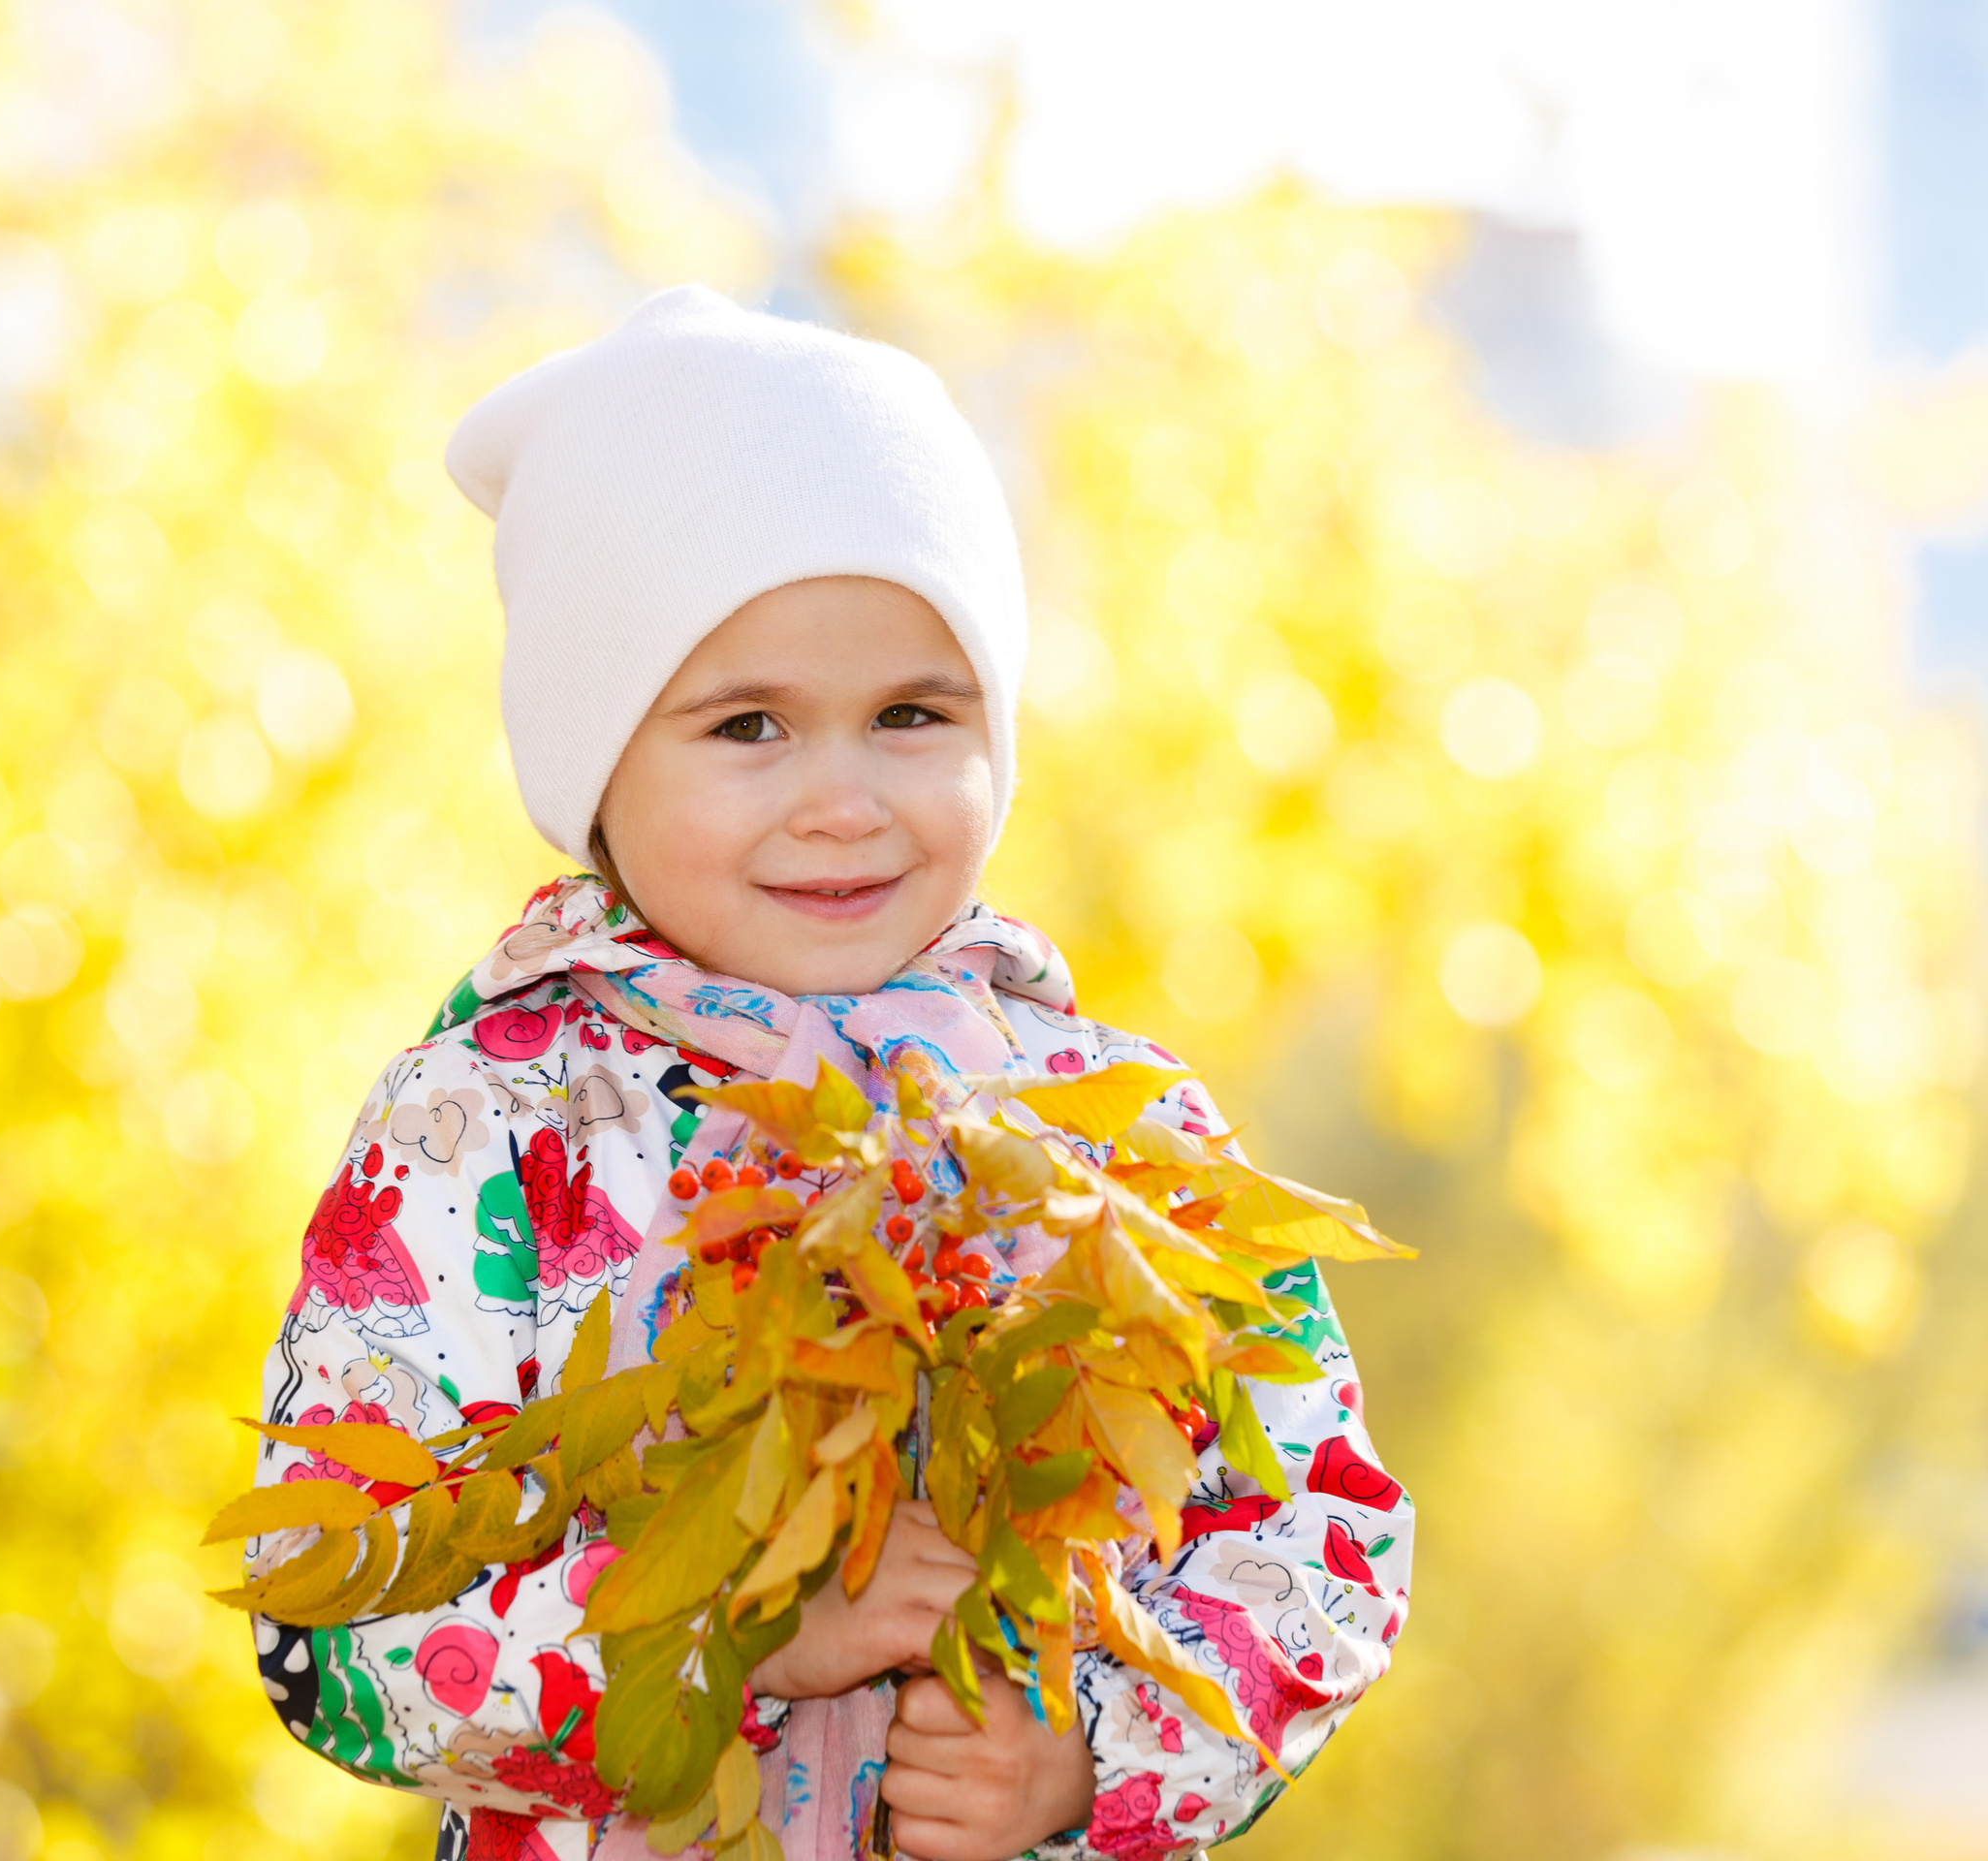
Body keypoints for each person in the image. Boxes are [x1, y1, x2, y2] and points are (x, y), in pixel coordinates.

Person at [242, 286, 1410, 1861]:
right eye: (749, 727)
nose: (845, 800)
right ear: (595, 759)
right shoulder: (491, 1127)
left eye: (912, 714)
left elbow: (1317, 1536)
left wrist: (1087, 1764)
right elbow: (340, 1614)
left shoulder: (1113, 1142)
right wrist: (726, 1630)